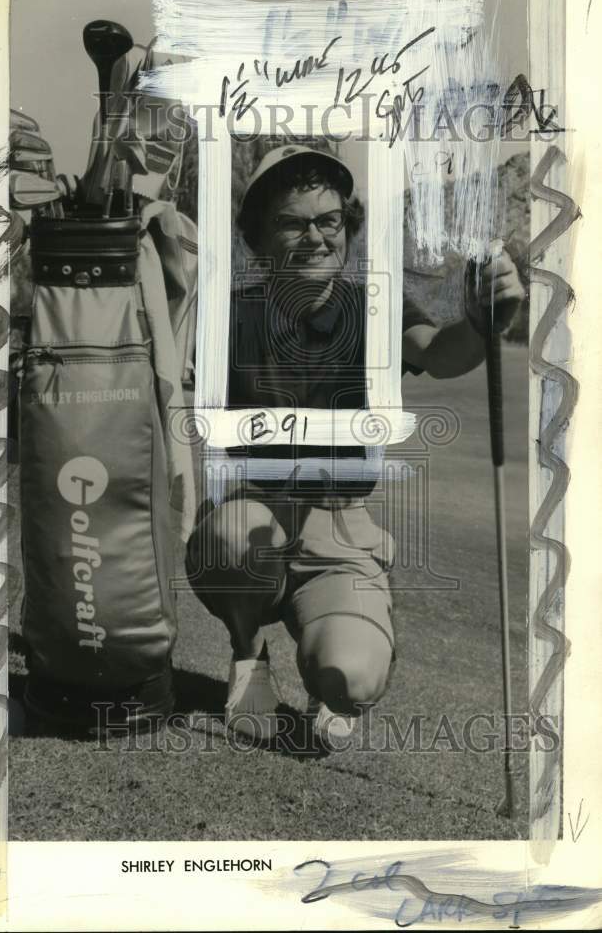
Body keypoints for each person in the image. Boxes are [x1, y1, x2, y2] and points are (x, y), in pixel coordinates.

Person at [185, 145, 525, 747]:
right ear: (259, 238)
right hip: (254, 513)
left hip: (343, 532)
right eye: (292, 222)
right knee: (230, 538)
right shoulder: (227, 317)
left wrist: (480, 320)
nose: (315, 237)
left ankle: (330, 667)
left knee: (352, 677)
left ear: (347, 227)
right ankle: (248, 658)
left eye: (329, 220)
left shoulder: (374, 308)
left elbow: (440, 353)